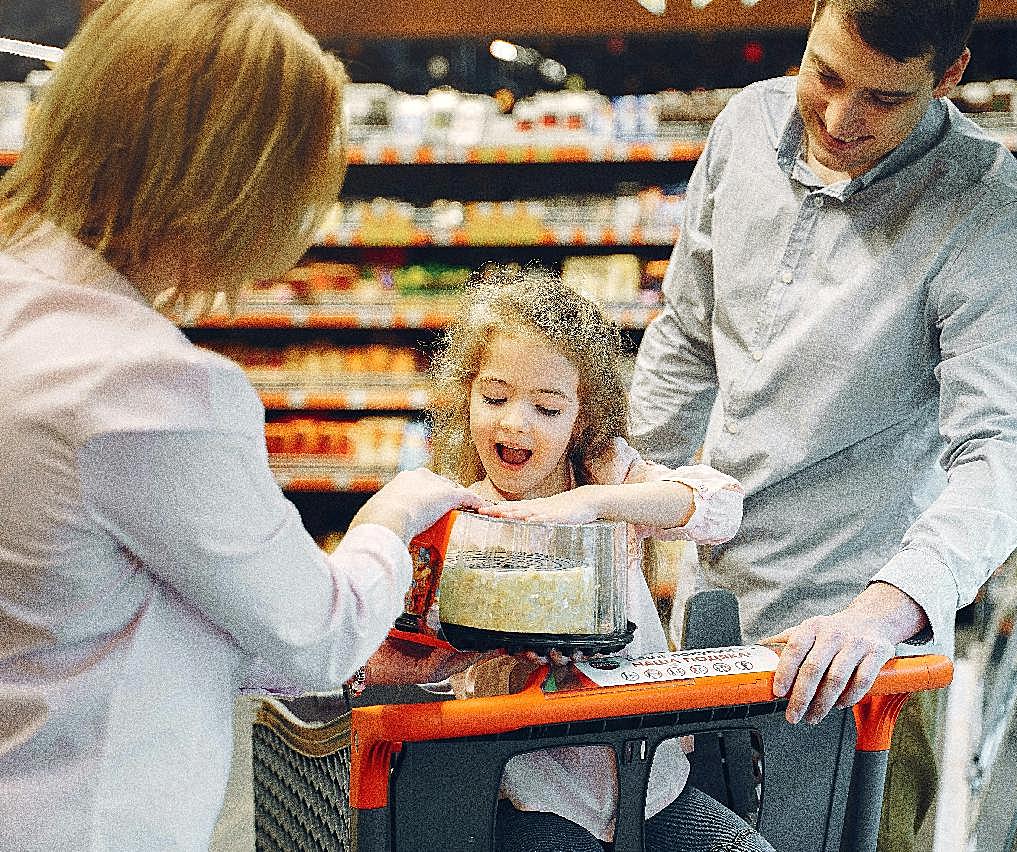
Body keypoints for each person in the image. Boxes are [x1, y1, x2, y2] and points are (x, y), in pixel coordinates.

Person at [0, 1, 486, 848]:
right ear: (231, 181)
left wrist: (340, 645)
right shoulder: (149, 388)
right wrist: (393, 515)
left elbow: (91, 605)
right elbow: (322, 637)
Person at [628, 0, 1017, 847]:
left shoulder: (993, 226)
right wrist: (608, 503)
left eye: (882, 98)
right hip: (708, 618)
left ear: (949, 76)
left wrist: (882, 612)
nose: (837, 117)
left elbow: (1007, 451)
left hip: (853, 652)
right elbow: (687, 339)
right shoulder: (745, 127)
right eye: (824, 74)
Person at [425, 269, 772, 852]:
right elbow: (421, 651)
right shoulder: (458, 516)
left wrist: (592, 503)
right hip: (532, 795)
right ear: (465, 398)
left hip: (655, 783)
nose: (516, 421)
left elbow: (721, 508)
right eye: (495, 397)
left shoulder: (607, 477)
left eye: (547, 407)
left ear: (581, 418)